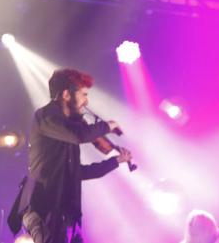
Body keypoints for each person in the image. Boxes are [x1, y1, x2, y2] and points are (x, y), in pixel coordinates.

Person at [7, 68, 132, 243]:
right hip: (43, 206)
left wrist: (116, 161)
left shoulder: (67, 128)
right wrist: (107, 125)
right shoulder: (46, 116)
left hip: (64, 211)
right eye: (84, 95)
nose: (86, 102)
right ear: (66, 94)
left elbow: (77, 172)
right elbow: (79, 135)